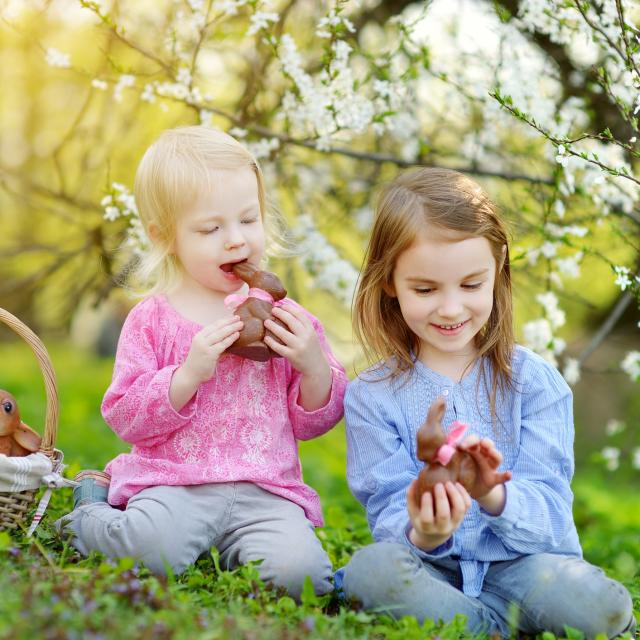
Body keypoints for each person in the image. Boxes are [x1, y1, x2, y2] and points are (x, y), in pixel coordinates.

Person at [339, 167, 635, 637]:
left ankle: (471, 625)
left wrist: (492, 494)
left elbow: (552, 519)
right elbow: (388, 514)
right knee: (369, 574)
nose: (452, 308)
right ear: (390, 282)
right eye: (425, 289)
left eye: (471, 285)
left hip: (525, 569)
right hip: (433, 573)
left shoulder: (536, 384)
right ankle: (489, 627)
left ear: (498, 270)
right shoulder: (371, 396)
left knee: (601, 608)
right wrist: (427, 532)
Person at [58, 126, 347, 599]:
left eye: (248, 220)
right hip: (176, 485)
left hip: (265, 491)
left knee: (304, 578)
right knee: (149, 552)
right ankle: (91, 507)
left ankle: (242, 547)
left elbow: (315, 420)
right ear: (164, 236)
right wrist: (187, 375)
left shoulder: (288, 319)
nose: (235, 241)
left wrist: (314, 367)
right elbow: (125, 416)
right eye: (211, 229)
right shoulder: (151, 319)